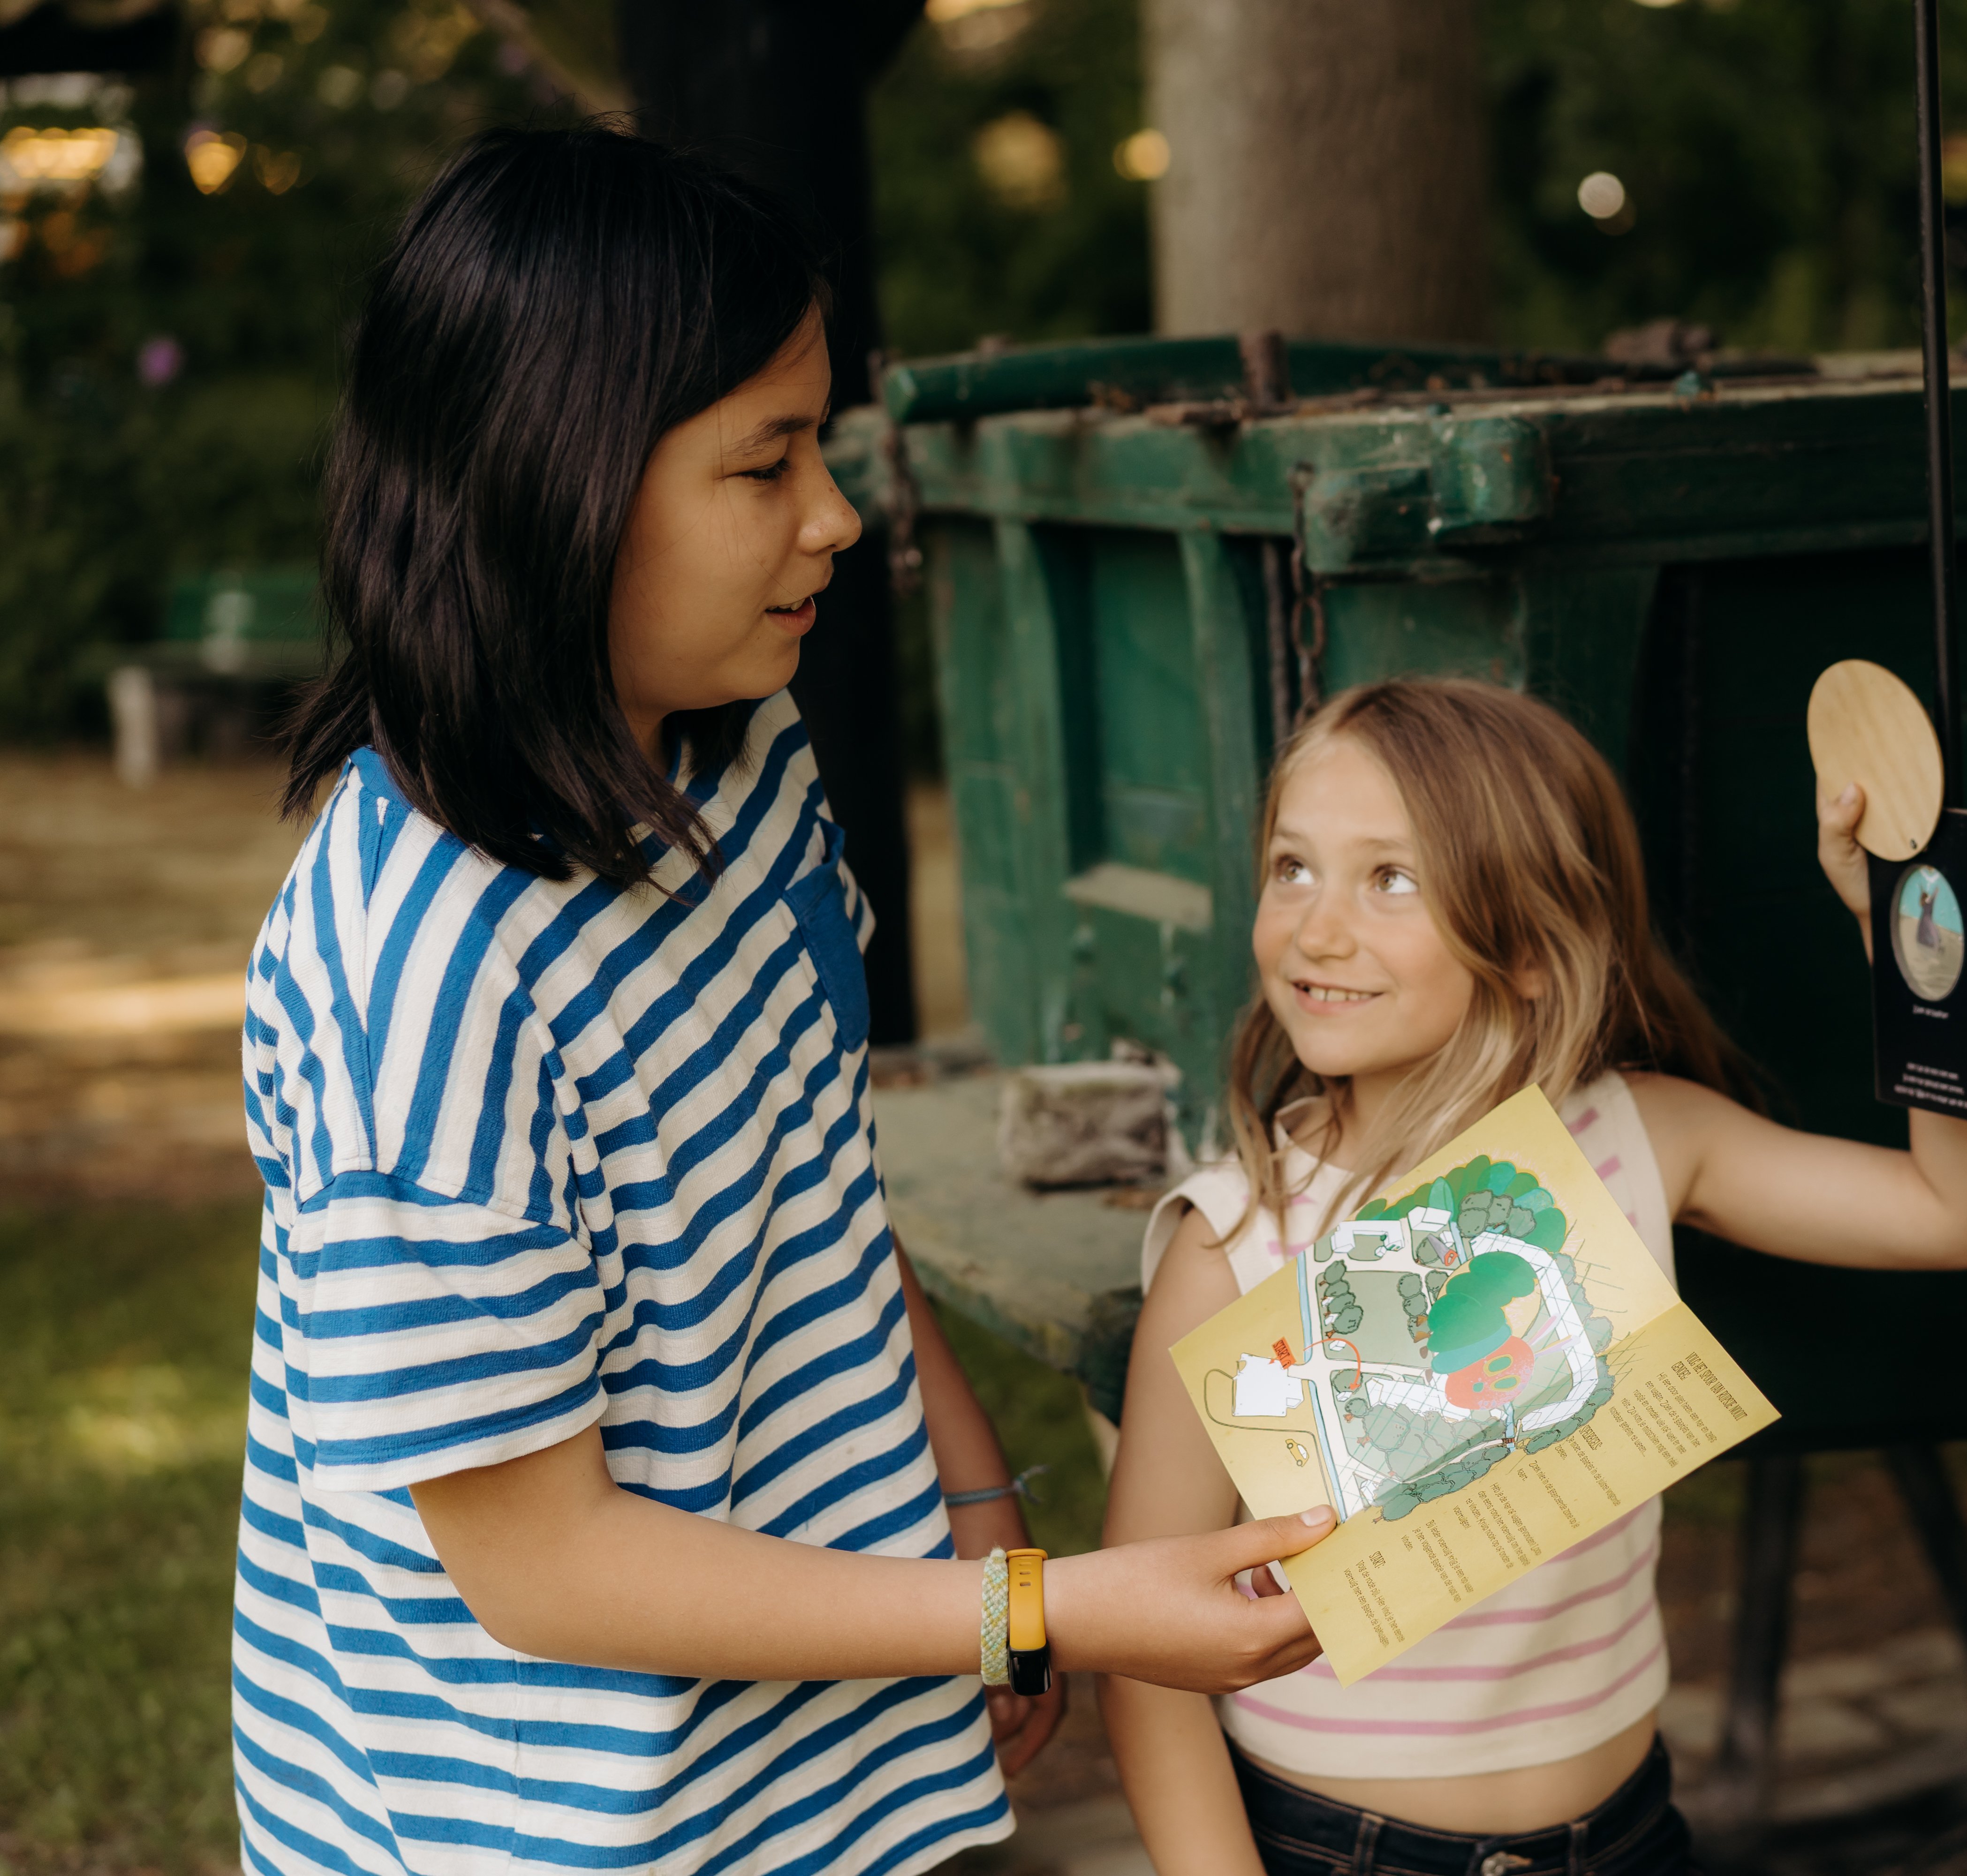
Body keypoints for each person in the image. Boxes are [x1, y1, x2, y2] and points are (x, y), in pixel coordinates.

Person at [234, 126, 1334, 1876]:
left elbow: (808, 1177)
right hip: (548, 1825)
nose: (835, 513)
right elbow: (543, 1565)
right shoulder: (419, 993)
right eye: (767, 463)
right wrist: (1041, 1609)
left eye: (822, 443)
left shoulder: (743, 760)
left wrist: (982, 1525)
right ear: (552, 484)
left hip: (804, 1756)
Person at [1101, 680, 1967, 1876]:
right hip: (1335, 1852)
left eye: (1390, 878)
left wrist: (1908, 928)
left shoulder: (1636, 1142)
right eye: (1293, 866)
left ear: (1537, 947)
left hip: (1632, 1839)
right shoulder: (1235, 1241)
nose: (1317, 928)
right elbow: (1143, 1654)